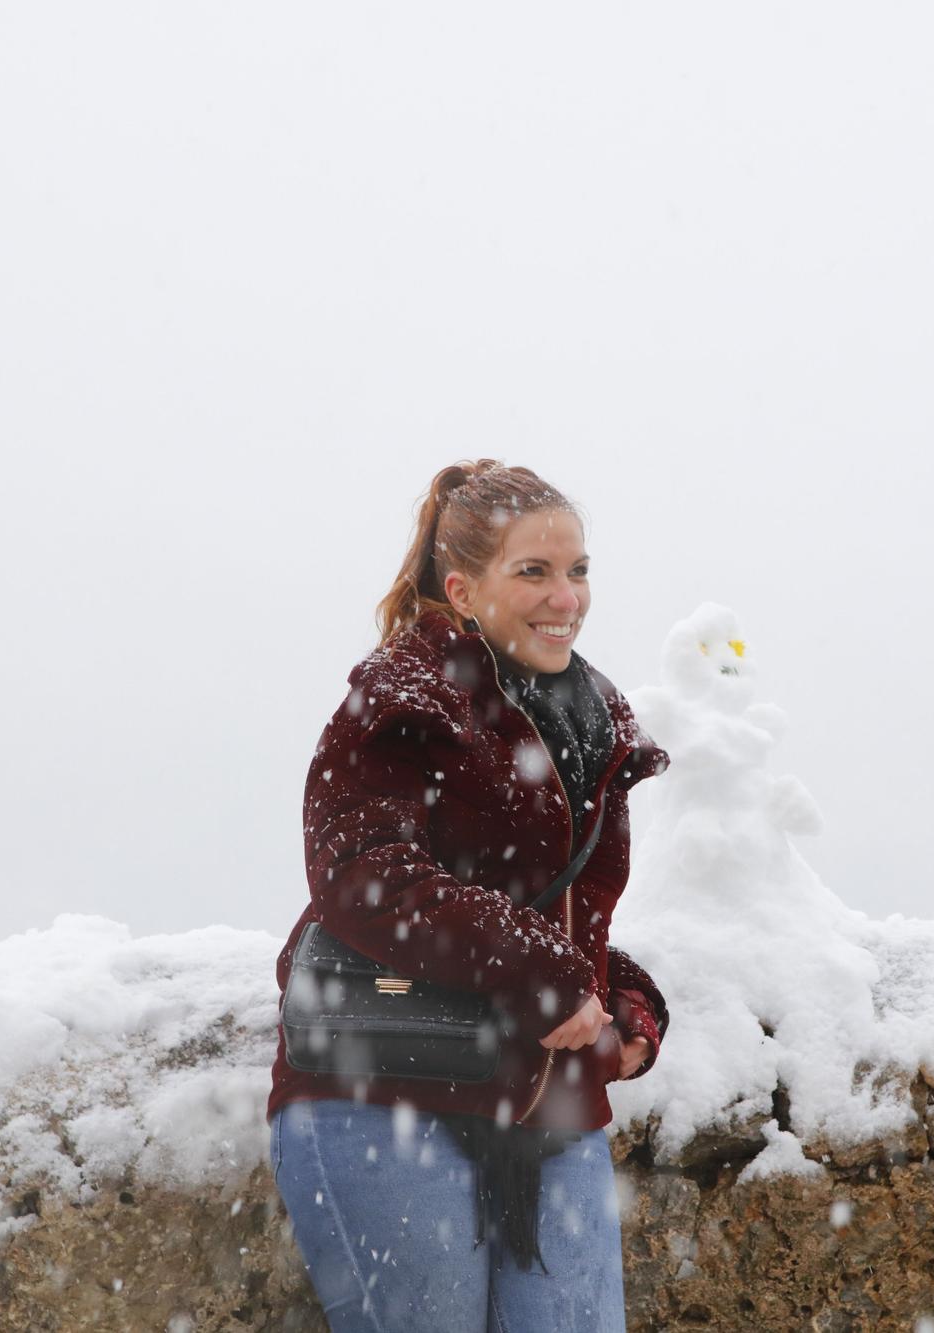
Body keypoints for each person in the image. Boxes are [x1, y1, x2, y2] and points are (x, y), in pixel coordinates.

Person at [267, 460, 672, 1333]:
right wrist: (542, 971)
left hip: (548, 1107)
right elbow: (361, 875)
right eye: (534, 571)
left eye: (579, 570)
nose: (567, 597)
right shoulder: (401, 695)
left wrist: (623, 1006)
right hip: (383, 1088)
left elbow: (553, 917)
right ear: (462, 586)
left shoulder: (588, 717)